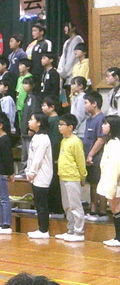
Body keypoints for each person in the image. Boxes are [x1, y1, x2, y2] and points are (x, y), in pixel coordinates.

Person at [56, 113, 87, 242]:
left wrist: (83, 176)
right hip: (63, 176)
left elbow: (80, 160)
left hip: (72, 177)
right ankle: (71, 230)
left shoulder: (76, 141)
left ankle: (79, 232)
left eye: (62, 124)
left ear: (70, 127)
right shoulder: (64, 140)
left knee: (75, 205)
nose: (59, 127)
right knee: (67, 206)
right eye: (59, 124)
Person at [25, 112, 54, 239]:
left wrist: (32, 172)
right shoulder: (36, 137)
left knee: (41, 204)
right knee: (38, 202)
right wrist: (28, 170)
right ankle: (41, 228)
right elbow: (31, 157)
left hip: (42, 174)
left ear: (39, 123)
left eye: (32, 119)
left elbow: (38, 158)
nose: (29, 122)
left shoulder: (43, 138)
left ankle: (44, 230)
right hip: (36, 174)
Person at [83, 92, 108, 221]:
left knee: (100, 184)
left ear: (94, 104)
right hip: (89, 157)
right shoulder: (89, 119)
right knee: (93, 183)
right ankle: (93, 210)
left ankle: (103, 212)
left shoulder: (101, 119)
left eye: (86, 103)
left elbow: (101, 139)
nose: (84, 106)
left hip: (98, 157)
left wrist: (91, 154)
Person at [97, 115, 120, 246]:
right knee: (115, 209)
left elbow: (115, 167)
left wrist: (111, 188)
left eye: (106, 124)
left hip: (115, 183)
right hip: (110, 181)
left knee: (116, 208)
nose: (103, 126)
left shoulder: (115, 144)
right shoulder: (110, 142)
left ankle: (119, 238)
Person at [58, 21, 84, 86]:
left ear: (73, 28)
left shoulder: (78, 39)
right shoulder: (66, 42)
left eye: (68, 26)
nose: (65, 28)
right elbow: (63, 56)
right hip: (65, 72)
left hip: (72, 71)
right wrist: (61, 69)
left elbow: (73, 57)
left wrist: (65, 70)